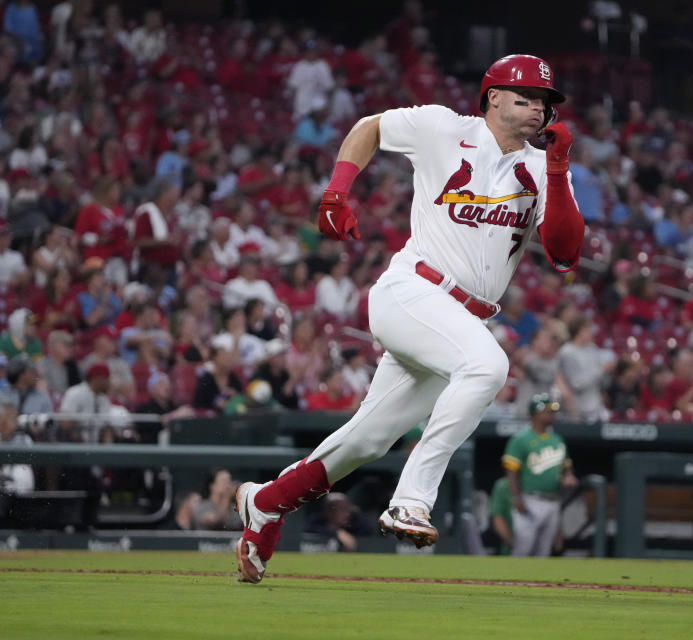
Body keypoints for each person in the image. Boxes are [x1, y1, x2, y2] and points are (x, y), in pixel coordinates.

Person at [233, 54, 584, 583]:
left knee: (366, 442)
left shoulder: (541, 167)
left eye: (544, 101)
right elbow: (368, 127)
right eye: (525, 97)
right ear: (492, 97)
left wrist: (556, 171)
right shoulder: (444, 127)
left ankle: (265, 502)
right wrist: (336, 190)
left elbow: (564, 252)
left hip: (460, 321)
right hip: (413, 291)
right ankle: (411, 499)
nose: (538, 108)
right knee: (487, 368)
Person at [501, 394, 576, 557]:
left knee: (544, 551)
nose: (552, 414)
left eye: (553, 411)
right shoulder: (521, 439)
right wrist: (516, 498)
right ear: (535, 413)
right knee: (523, 548)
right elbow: (511, 472)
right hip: (530, 499)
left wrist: (568, 477)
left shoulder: (557, 440)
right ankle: (513, 581)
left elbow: (566, 468)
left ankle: (537, 583)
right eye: (547, 411)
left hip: (553, 500)